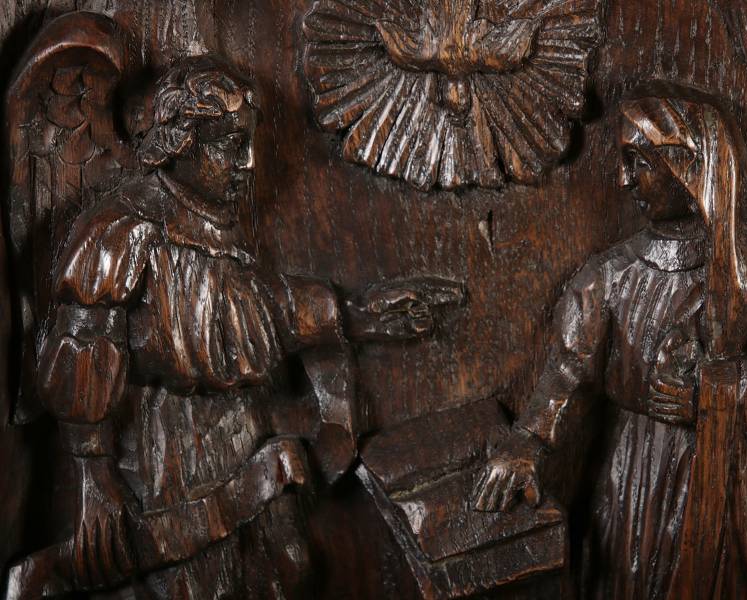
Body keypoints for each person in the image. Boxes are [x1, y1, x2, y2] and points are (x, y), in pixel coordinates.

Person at [37, 55, 449, 599]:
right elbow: (84, 350)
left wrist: (358, 313)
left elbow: (249, 310)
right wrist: (93, 476)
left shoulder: (211, 224)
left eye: (248, 144)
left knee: (287, 572)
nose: (249, 163)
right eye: (231, 146)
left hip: (238, 433)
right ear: (181, 144)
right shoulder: (123, 231)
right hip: (168, 452)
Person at [471, 85, 747, 599]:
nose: (623, 180)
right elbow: (564, 377)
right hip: (634, 485)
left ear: (688, 166)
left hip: (724, 490)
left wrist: (722, 388)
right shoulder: (610, 277)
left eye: (639, 162)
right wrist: (527, 442)